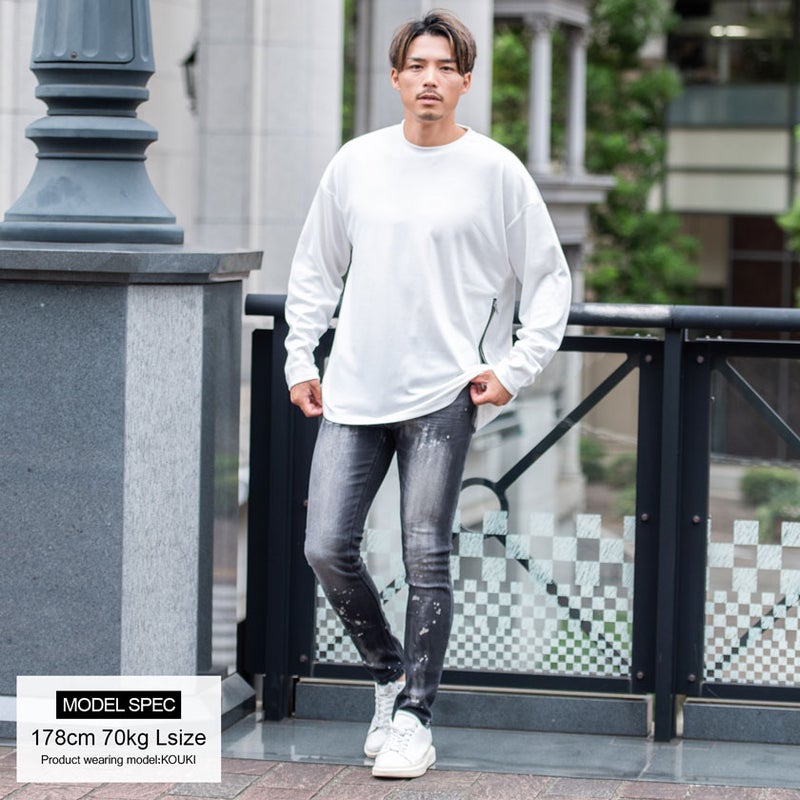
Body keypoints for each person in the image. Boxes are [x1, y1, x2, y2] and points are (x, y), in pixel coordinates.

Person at [284, 9, 572, 779]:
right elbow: (314, 270)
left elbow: (550, 280)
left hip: (445, 392)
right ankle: (388, 674)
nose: (430, 79)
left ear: (466, 81)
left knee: (425, 555)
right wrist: (299, 359)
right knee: (326, 547)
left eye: (446, 67)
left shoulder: (496, 172)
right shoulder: (356, 163)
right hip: (353, 389)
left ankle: (415, 717)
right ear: (395, 77)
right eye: (417, 65)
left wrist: (515, 368)